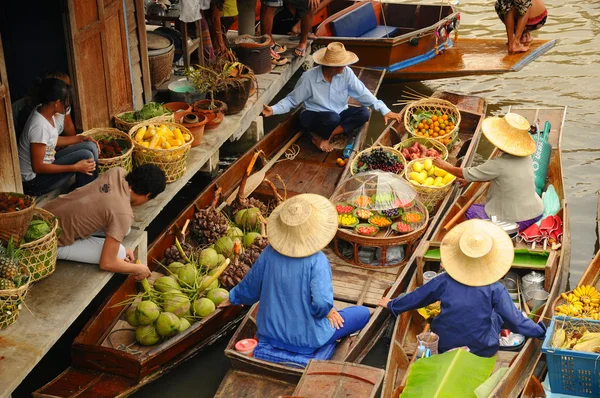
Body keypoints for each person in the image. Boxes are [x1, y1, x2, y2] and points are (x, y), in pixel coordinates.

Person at [219, 194, 371, 355]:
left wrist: (232, 297)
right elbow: (321, 303)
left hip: (269, 335)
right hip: (309, 339)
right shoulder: (318, 261)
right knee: (363, 313)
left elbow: (250, 288)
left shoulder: (269, 253)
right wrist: (328, 311)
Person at [378, 219, 546, 357]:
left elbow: (418, 297)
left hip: (444, 344)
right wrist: (539, 331)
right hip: (481, 350)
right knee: (498, 316)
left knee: (494, 316)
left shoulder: (444, 281)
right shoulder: (495, 289)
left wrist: (393, 304)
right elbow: (515, 321)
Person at [262, 42, 402, 152]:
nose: (346, 66)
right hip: (313, 116)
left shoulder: (346, 73)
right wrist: (273, 110)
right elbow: (292, 100)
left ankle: (325, 138)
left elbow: (363, 93)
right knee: (332, 118)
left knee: (364, 113)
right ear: (333, 67)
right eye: (342, 64)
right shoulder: (309, 77)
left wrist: (385, 110)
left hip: (337, 114)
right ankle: (317, 135)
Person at [42, 165, 167, 280]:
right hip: (50, 242)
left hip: (45, 213)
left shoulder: (117, 172)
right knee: (120, 253)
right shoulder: (123, 214)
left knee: (125, 229)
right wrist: (138, 268)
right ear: (148, 195)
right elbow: (107, 263)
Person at [433, 113, 544, 232]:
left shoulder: (497, 164)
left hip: (516, 220)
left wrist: (444, 165)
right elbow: (504, 175)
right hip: (536, 211)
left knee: (467, 211)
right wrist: (472, 178)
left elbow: (462, 173)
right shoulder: (526, 157)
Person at [18, 78, 99, 196]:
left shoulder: (46, 111)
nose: (67, 105)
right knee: (86, 156)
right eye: (65, 101)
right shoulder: (39, 126)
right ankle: (84, 196)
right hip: (34, 182)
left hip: (48, 163)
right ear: (56, 103)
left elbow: (52, 141)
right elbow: (38, 167)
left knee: (90, 146)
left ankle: (86, 190)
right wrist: (75, 167)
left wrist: (81, 138)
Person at [13, 72, 76, 141]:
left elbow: (68, 126)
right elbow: (39, 142)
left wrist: (76, 141)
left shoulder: (63, 104)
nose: (68, 92)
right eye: (64, 89)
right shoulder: (33, 113)